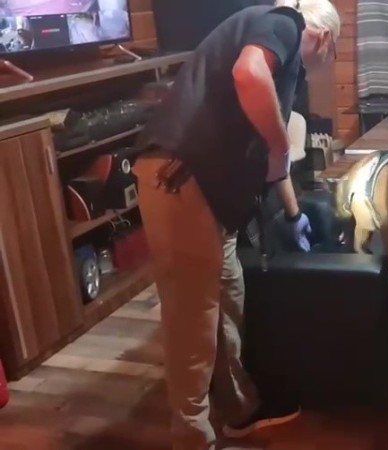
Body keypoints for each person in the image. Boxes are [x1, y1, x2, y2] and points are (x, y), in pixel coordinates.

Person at [131, 1, 340, 449]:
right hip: (182, 179)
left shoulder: (275, 47)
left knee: (229, 295)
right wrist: (280, 146)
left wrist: (294, 215)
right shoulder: (285, 23)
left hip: (209, 194)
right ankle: (192, 438)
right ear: (325, 37)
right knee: (193, 321)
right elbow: (248, 76)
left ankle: (240, 410)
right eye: (333, 51)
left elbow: (274, 165)